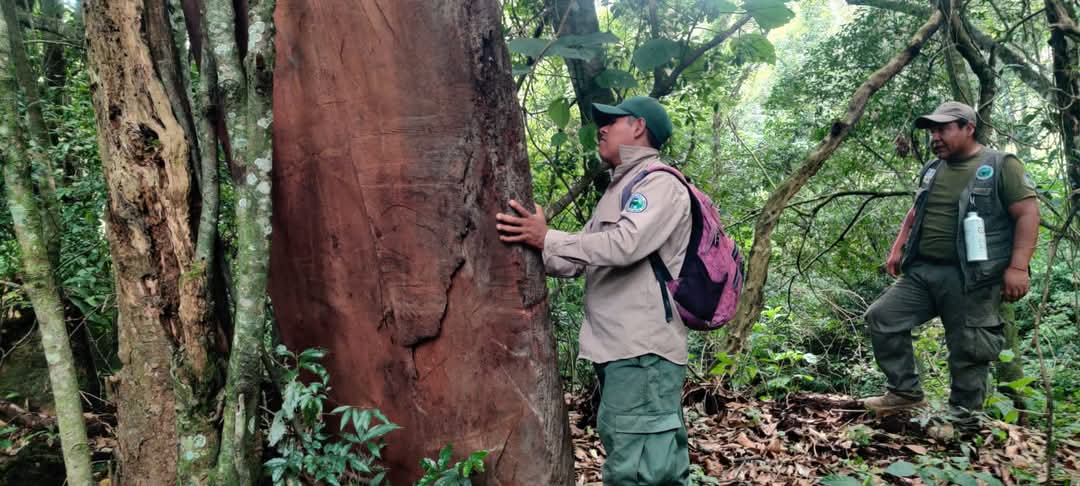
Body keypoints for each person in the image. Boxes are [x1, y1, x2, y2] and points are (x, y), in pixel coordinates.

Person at [495, 96, 692, 484]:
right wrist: (532, 240)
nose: (601, 128)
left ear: (638, 127)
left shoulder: (659, 183)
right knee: (646, 461)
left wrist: (548, 237)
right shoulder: (619, 190)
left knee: (640, 472)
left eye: (612, 121)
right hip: (624, 351)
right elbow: (574, 260)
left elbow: (624, 244)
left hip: (642, 352)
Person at [862, 101, 1040, 434]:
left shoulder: (1001, 165)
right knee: (883, 316)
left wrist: (1019, 268)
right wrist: (898, 246)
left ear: (968, 128)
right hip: (924, 272)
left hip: (973, 277)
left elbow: (1028, 214)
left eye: (943, 129)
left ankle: (963, 423)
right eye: (932, 131)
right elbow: (916, 210)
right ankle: (904, 392)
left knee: (969, 348)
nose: (935, 137)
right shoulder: (933, 167)